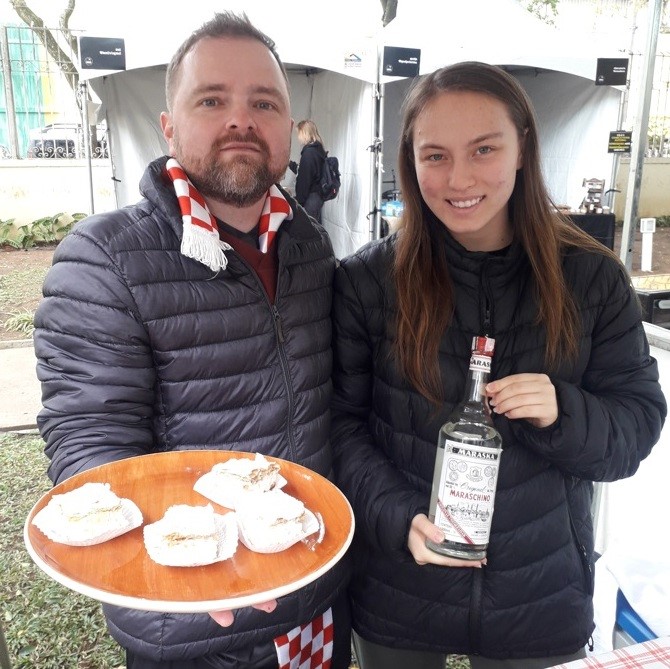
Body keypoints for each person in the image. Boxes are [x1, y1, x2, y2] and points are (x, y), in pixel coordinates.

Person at [33, 11, 351, 669]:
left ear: (289, 131)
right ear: (169, 126)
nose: (241, 119)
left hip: (313, 596)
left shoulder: (309, 246)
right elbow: (92, 448)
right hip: (195, 620)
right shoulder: (104, 257)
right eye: (212, 100)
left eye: (263, 102)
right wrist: (203, 558)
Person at [330, 61, 666, 669]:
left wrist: (566, 410)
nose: (459, 177)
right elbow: (342, 426)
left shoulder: (591, 279)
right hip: (399, 590)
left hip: (538, 596)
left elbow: (636, 429)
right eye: (435, 156)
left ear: (522, 149)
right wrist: (398, 519)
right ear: (410, 161)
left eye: (484, 148)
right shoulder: (366, 282)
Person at [294, 119, 327, 223]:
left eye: (299, 133)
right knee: (317, 228)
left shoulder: (309, 153)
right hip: (317, 197)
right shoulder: (318, 149)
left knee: (310, 232)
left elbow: (305, 179)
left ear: (304, 133)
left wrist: (299, 201)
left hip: (311, 198)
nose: (298, 137)